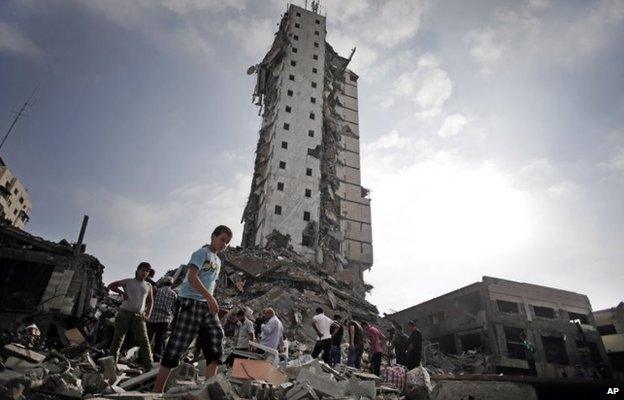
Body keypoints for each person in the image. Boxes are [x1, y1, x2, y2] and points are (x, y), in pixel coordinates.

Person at [153, 225, 232, 393]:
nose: (224, 244)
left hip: (205, 306)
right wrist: (210, 298)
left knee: (216, 337)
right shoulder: (201, 253)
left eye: (227, 242)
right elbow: (192, 276)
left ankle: (208, 389)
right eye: (222, 240)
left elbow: (209, 283)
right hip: (190, 302)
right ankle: (156, 392)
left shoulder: (217, 260)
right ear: (213, 237)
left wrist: (210, 298)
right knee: (177, 345)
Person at [107, 262, 154, 371]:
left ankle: (149, 368)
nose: (145, 272)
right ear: (137, 270)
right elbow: (111, 286)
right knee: (118, 339)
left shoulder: (148, 285)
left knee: (144, 341)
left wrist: (148, 315)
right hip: (124, 313)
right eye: (143, 270)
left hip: (139, 316)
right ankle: (111, 367)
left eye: (147, 271)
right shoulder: (128, 281)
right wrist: (122, 293)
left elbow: (151, 301)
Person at [147, 276, 177, 361]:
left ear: (163, 283)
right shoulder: (174, 294)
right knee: (159, 341)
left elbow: (149, 302)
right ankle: (156, 359)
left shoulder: (156, 291)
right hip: (164, 320)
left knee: (147, 340)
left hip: (152, 319)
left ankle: (142, 359)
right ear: (171, 284)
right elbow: (174, 310)